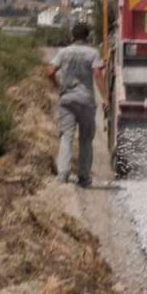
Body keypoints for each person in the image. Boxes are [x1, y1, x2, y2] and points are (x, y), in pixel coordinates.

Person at [46, 22, 106, 187]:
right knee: (86, 139)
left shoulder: (63, 52)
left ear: (73, 36)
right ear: (87, 37)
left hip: (67, 100)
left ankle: (63, 175)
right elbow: (98, 75)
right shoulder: (93, 53)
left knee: (66, 137)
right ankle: (84, 177)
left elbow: (50, 71)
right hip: (86, 101)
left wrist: (57, 85)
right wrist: (105, 98)